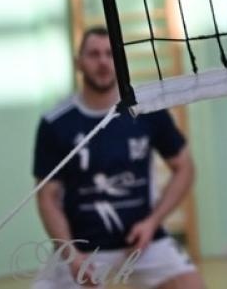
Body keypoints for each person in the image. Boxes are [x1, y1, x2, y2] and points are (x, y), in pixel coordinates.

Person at [31, 28, 204, 289]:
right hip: (81, 248)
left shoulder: (146, 111)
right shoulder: (56, 123)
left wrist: (152, 222)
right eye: (94, 54)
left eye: (110, 54)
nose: (102, 61)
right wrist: (70, 255)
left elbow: (185, 168)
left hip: (144, 242)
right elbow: (47, 197)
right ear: (78, 63)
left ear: (120, 62)